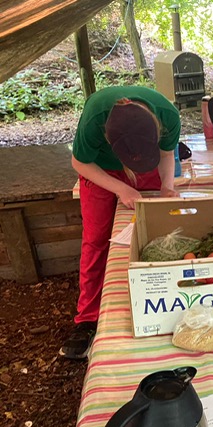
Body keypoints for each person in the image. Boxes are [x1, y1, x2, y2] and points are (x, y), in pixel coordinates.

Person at [60, 86, 181, 359]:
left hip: (146, 166)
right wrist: (120, 187)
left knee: (156, 226)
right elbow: (80, 163)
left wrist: (167, 187)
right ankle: (87, 319)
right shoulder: (95, 117)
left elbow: (165, 156)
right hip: (100, 168)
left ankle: (161, 299)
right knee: (97, 238)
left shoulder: (169, 115)